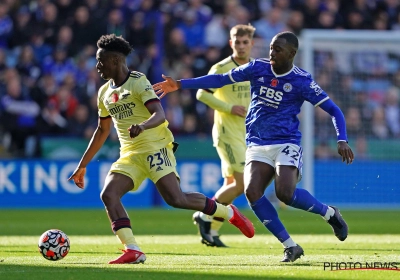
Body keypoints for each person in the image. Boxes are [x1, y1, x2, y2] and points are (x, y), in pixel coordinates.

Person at [153, 31, 354, 263]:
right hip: (257, 143)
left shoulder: (302, 80)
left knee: (285, 194)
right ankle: (290, 246)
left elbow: (334, 110)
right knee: (252, 192)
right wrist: (179, 84)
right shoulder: (257, 67)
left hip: (286, 142)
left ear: (292, 53)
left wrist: (342, 139)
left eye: (277, 49)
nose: (271, 53)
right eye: (270, 47)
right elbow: (221, 79)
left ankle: (329, 213)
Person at [68, 34, 255, 265]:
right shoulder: (104, 93)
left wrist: (143, 126)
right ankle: (133, 249)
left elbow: (159, 114)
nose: (97, 67)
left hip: (156, 147)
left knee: (176, 199)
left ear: (115, 60)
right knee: (109, 194)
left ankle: (229, 213)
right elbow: (102, 130)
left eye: (100, 61)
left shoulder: (138, 82)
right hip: (130, 155)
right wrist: (82, 165)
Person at [191, 24, 255, 248]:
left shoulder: (256, 68)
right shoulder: (221, 67)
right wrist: (229, 107)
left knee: (231, 185)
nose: (241, 46)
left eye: (245, 42)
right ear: (231, 43)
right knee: (242, 184)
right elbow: (201, 94)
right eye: (237, 42)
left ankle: (212, 232)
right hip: (227, 133)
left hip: (247, 134)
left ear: (251, 44)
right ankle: (205, 216)